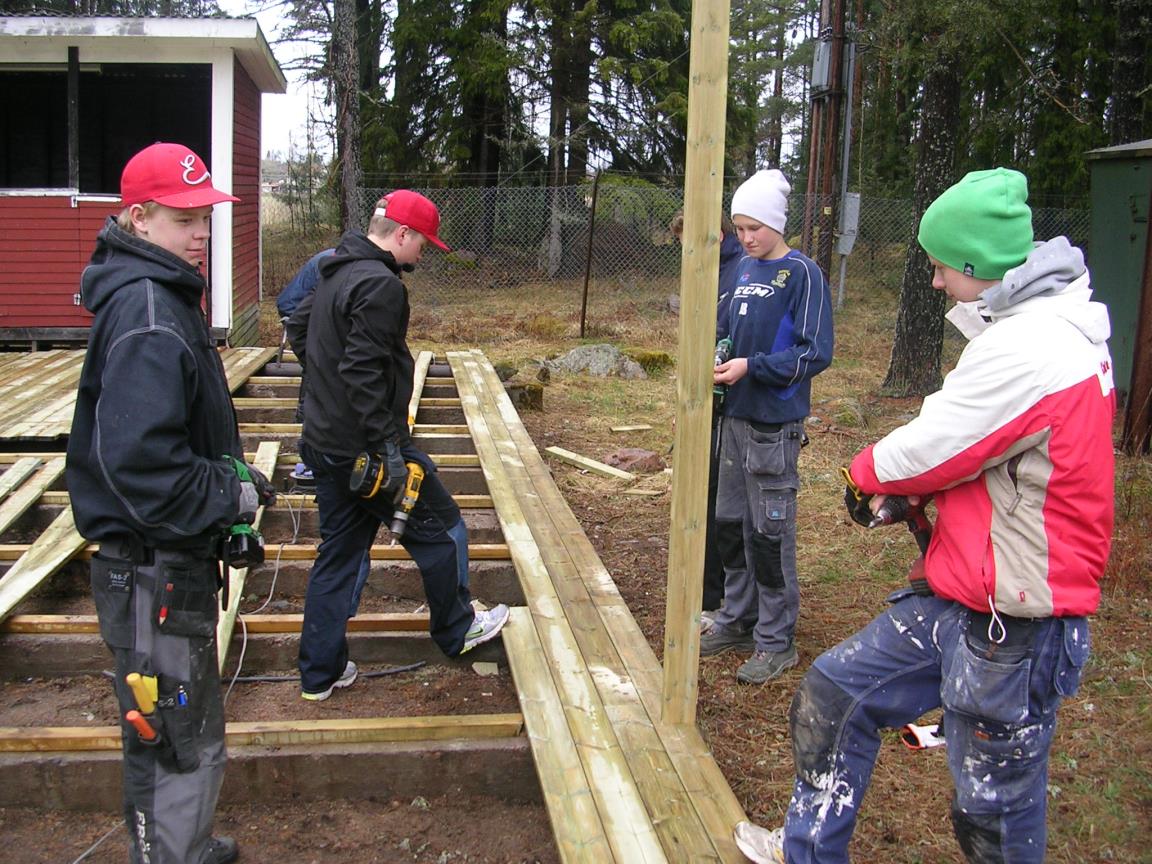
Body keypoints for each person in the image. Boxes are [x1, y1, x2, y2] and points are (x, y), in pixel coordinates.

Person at [733, 168, 1114, 863]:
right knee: (834, 693)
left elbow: (933, 446)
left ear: (976, 262)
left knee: (993, 818)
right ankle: (807, 852)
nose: (935, 282)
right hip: (964, 597)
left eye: (940, 267)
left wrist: (868, 473)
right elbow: (983, 448)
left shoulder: (1036, 348)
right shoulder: (1030, 331)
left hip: (1014, 629)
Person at [66, 142, 276, 864]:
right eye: (183, 218)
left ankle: (186, 845)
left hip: (168, 565)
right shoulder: (151, 312)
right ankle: (173, 855)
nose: (201, 233)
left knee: (184, 719)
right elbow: (141, 471)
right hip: (149, 570)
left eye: (205, 217)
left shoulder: (164, 295)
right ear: (137, 216)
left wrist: (226, 476)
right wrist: (232, 490)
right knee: (170, 731)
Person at [286, 190, 509, 701]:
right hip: (367, 449)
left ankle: (319, 674)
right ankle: (458, 629)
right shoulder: (381, 284)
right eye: (422, 245)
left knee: (338, 555)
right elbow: (363, 370)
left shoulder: (334, 269)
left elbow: (300, 326)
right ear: (401, 234)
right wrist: (387, 446)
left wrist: (327, 386)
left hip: (324, 444)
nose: (421, 255)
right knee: (444, 528)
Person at [700, 168, 834, 684]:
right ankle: (737, 618)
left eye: (754, 226)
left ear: (776, 223)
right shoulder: (741, 273)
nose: (746, 237)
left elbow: (814, 351)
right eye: (738, 228)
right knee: (731, 524)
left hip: (772, 426)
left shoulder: (802, 274)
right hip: (733, 419)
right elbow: (723, 329)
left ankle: (776, 640)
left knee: (769, 535)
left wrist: (752, 368)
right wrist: (717, 355)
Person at [669, 209, 746, 617]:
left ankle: (714, 594)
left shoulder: (738, 272)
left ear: (714, 235)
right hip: (705, 398)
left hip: (730, 401)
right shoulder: (708, 270)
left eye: (689, 245)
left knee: (716, 495)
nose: (685, 255)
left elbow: (730, 336)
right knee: (700, 488)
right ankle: (702, 586)